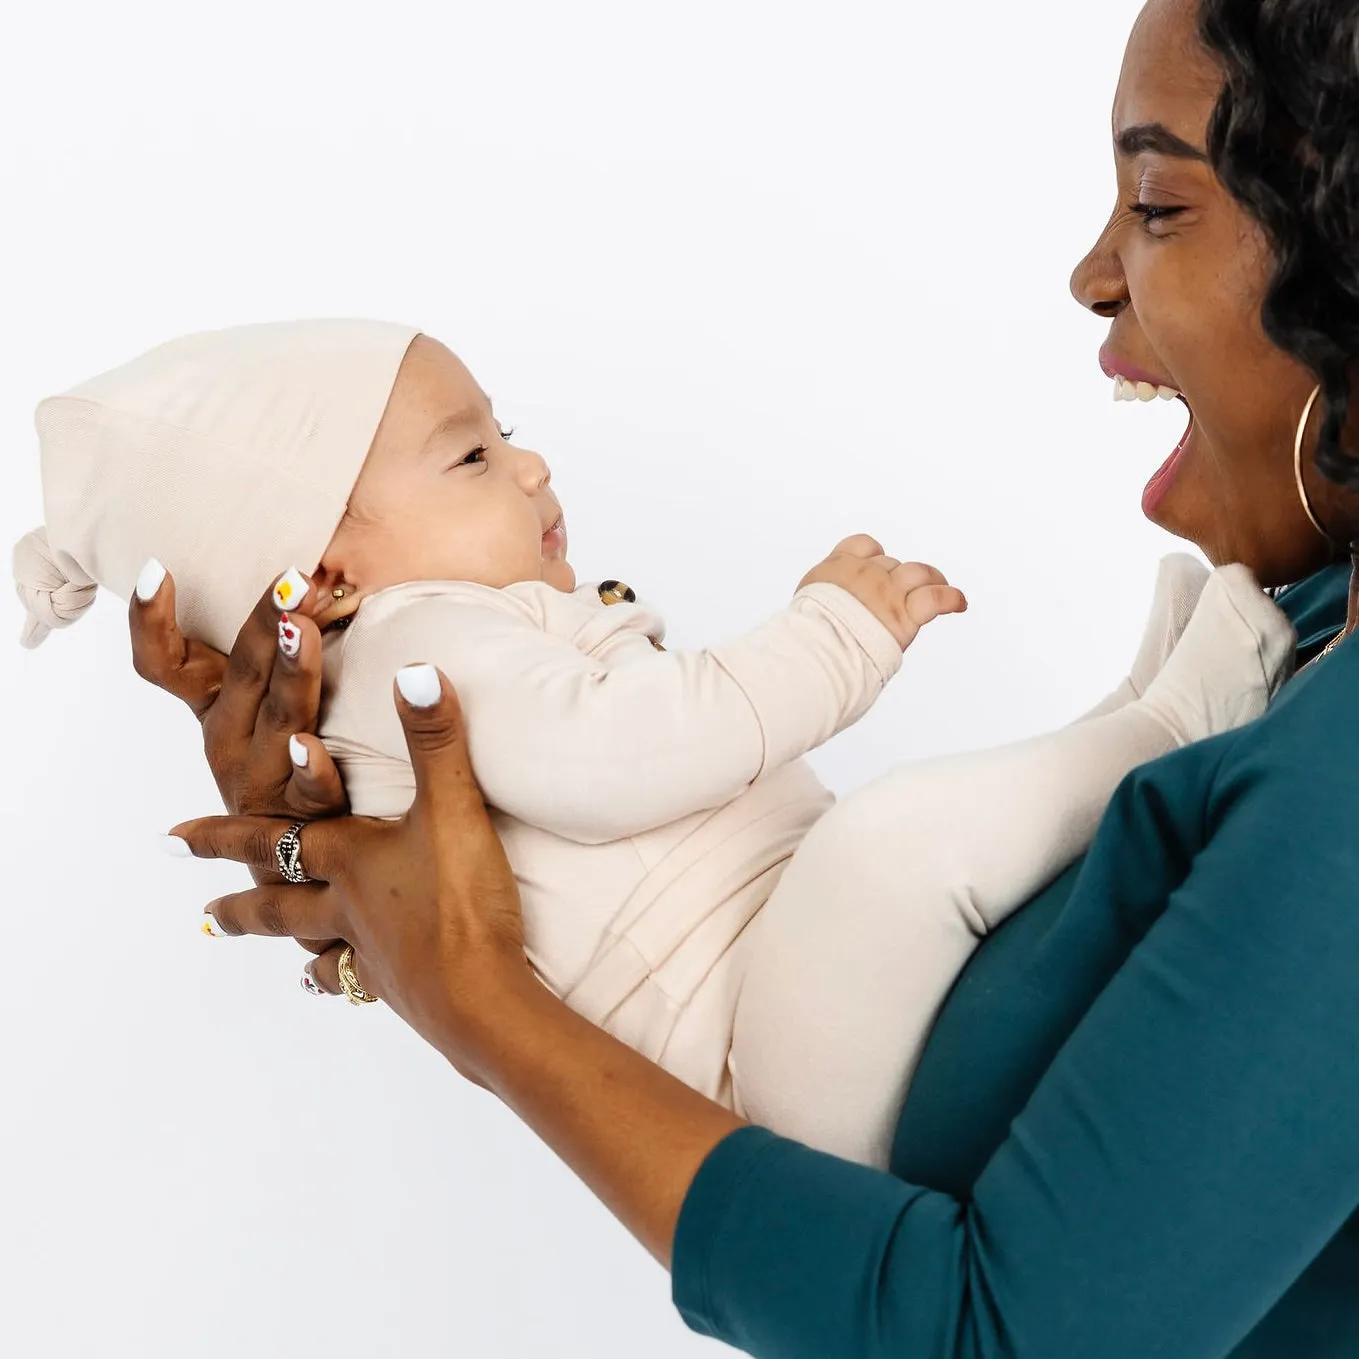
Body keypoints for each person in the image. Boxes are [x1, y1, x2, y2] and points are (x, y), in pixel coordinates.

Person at [121, 0, 1359, 1351]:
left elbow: (1003, 1333)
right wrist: (413, 865)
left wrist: (483, 999)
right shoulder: (1296, 627)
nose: (1090, 274)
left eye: (1156, 203)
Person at [15, 323, 1291, 1172]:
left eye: (505, 430)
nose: (531, 465)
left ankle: (1148, 714)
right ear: (330, 568)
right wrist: (833, 635)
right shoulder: (423, 649)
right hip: (770, 1065)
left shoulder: (463, 628)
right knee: (889, 850)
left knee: (910, 859)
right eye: (471, 455)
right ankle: (1175, 724)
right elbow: (626, 752)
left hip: (805, 998)